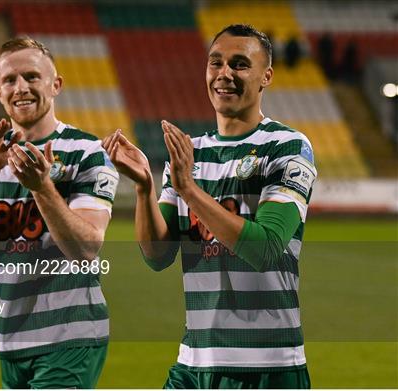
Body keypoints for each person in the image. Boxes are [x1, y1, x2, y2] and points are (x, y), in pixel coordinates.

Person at [103, 24, 316, 389]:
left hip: (267, 367)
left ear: (266, 76)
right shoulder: (189, 153)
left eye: (239, 64)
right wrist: (144, 187)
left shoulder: (287, 146)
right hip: (194, 362)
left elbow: (265, 248)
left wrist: (189, 190)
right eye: (215, 63)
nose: (224, 74)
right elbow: (157, 255)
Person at [0, 38, 118, 389]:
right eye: (10, 80)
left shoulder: (86, 152)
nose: (21, 88)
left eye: (31, 76)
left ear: (55, 84)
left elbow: (87, 246)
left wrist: (42, 187)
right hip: (12, 336)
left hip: (70, 335)